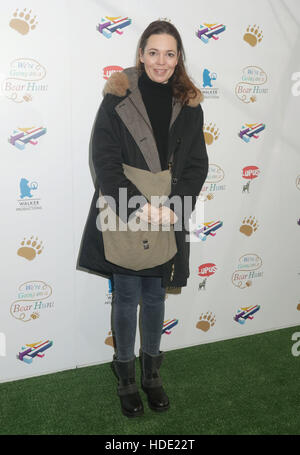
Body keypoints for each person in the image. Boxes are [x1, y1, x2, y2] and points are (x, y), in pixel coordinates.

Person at [78, 20, 208, 418]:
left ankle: (152, 374)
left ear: (178, 57)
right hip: (124, 209)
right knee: (127, 294)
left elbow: (197, 165)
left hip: (170, 211)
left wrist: (174, 206)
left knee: (155, 296)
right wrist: (139, 207)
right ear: (141, 53)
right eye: (153, 52)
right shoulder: (117, 98)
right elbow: (103, 162)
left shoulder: (190, 103)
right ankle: (125, 378)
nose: (161, 61)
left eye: (170, 53)